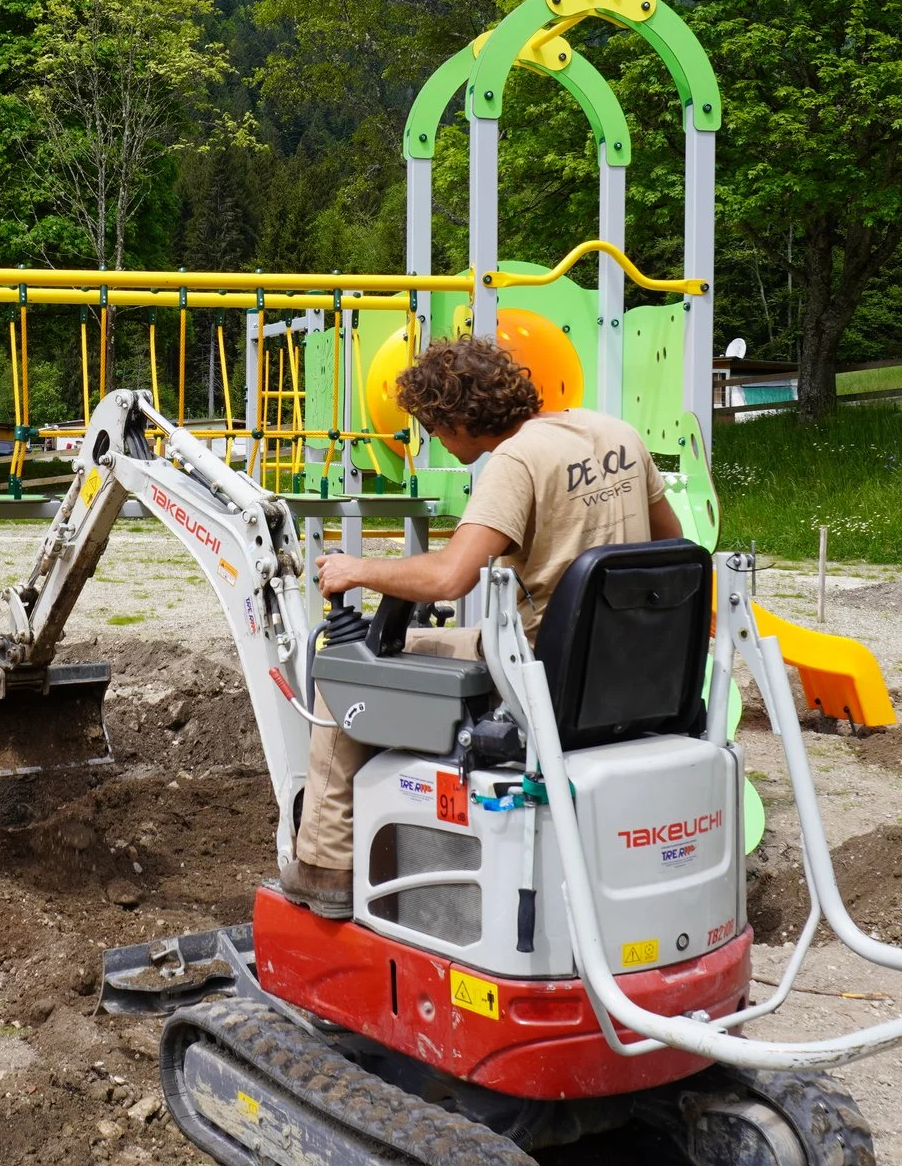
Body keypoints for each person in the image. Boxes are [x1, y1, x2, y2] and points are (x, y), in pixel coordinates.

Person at [279, 334, 686, 919]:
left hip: (542, 671)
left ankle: (324, 865)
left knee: (348, 677)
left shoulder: (517, 461)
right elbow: (673, 547)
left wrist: (356, 568)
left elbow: (449, 577)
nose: (435, 441)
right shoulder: (616, 434)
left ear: (459, 418)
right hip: (627, 671)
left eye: (434, 428)